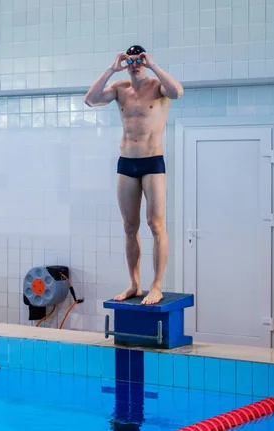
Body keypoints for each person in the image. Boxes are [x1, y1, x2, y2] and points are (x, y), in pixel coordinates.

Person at [84, 45, 184, 305]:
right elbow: (90, 99)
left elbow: (178, 92)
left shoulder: (157, 85)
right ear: (126, 64)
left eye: (139, 60)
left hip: (152, 163)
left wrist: (153, 65)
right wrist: (110, 68)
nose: (135, 64)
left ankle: (157, 285)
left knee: (156, 224)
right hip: (126, 163)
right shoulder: (120, 89)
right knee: (129, 227)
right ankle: (134, 284)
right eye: (131, 61)